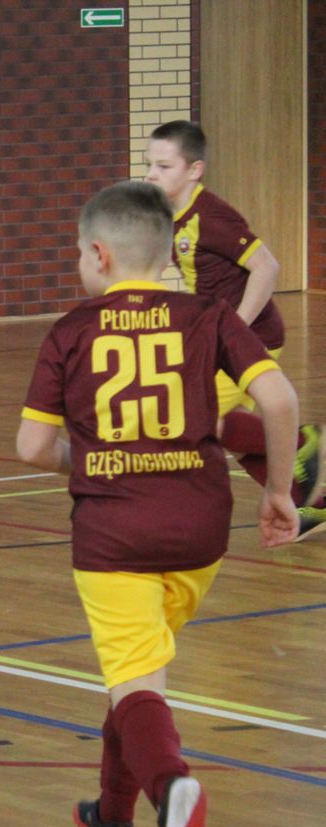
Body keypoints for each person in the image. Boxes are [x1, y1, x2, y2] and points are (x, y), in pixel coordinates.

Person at [16, 181, 300, 827]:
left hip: (114, 535)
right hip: (199, 530)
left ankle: (173, 789)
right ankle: (112, 820)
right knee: (134, 681)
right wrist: (278, 492)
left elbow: (32, 447)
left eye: (80, 253)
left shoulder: (70, 332)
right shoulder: (208, 315)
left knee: (138, 686)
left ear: (100, 254)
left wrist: (84, 461)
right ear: (167, 253)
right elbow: (278, 400)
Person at [144, 119, 326, 537]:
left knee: (201, 418)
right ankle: (309, 506)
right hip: (225, 335)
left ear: (195, 170)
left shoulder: (211, 217)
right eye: (149, 164)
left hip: (253, 335)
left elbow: (267, 267)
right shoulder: (173, 215)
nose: (152, 174)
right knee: (232, 428)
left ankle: (304, 444)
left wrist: (234, 328)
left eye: (164, 166)